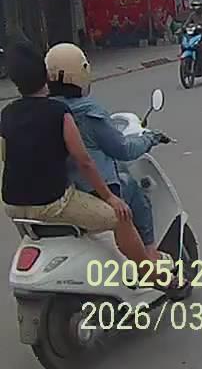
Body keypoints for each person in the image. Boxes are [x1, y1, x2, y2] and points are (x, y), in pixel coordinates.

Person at [0, 41, 154, 264]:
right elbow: (84, 161)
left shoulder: (7, 113)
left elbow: (6, 156)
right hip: (52, 203)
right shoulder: (60, 111)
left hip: (13, 205)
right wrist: (110, 198)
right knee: (121, 216)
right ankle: (152, 272)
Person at [46, 43, 164, 258]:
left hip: (62, 193)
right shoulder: (88, 113)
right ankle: (150, 255)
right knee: (132, 189)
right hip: (94, 192)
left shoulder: (45, 110)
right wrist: (151, 138)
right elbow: (124, 150)